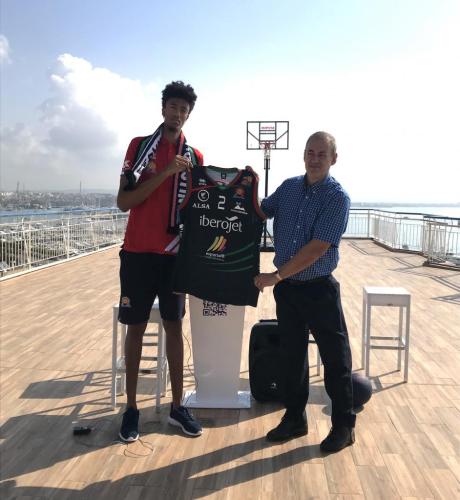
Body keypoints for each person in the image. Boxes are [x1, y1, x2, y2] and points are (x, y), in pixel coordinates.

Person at [254, 131, 356, 453]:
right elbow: (261, 211)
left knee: (335, 359)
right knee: (291, 357)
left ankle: (344, 427)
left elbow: (318, 247)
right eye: (310, 152)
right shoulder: (288, 188)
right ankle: (295, 418)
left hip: (319, 289)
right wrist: (247, 185)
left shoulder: (337, 197)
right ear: (304, 155)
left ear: (333, 159)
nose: (314, 159)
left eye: (321, 154)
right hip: (289, 292)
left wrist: (276, 275)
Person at [116, 81, 203, 442]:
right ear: (163, 108)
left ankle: (178, 407)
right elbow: (124, 202)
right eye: (173, 106)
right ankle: (131, 408)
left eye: (184, 109)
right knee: (135, 328)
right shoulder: (140, 148)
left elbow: (199, 210)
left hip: (174, 257)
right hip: (137, 253)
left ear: (188, 114)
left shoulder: (194, 156)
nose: (178, 113)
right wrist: (166, 173)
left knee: (174, 327)